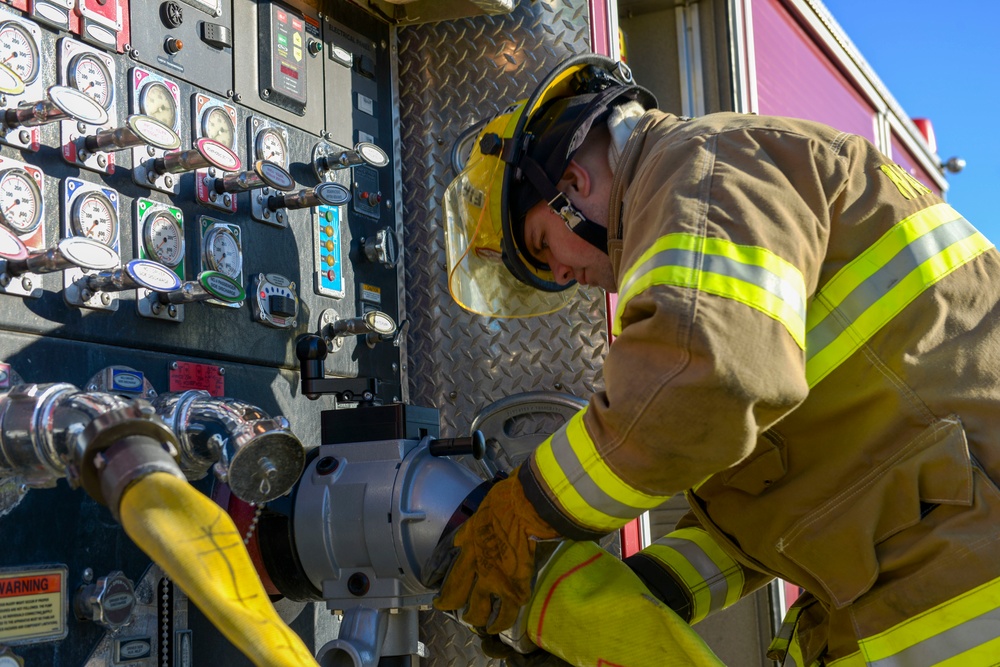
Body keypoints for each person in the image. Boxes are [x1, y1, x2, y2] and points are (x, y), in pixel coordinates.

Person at [430, 53, 1000, 666]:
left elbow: (699, 383)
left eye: (544, 246)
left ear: (572, 183)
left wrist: (528, 506)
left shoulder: (701, 171)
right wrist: (616, 605)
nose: (563, 275)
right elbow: (755, 518)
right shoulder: (707, 195)